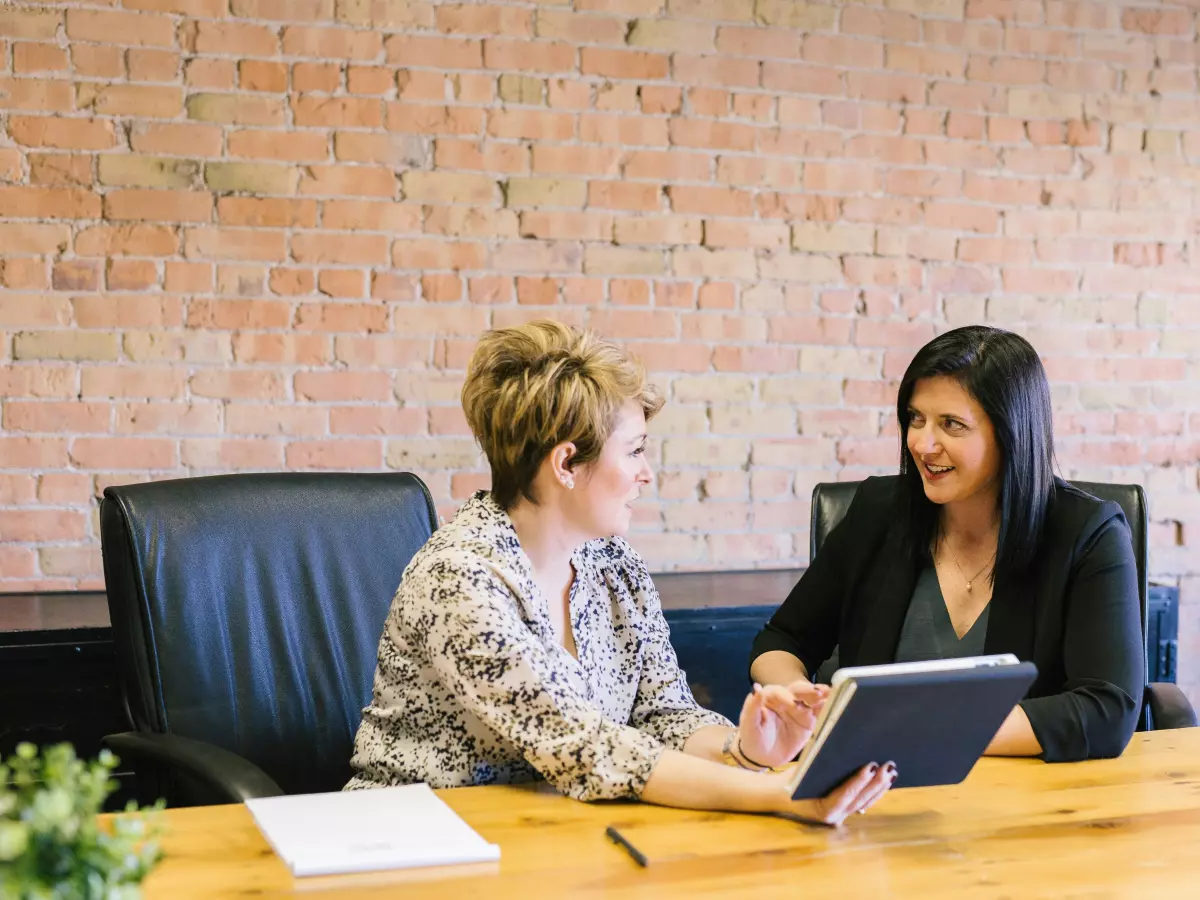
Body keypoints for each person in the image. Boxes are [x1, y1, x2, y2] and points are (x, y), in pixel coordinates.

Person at [347, 320, 893, 824]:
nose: (646, 474)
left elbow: (664, 713)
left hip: (555, 833)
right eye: (634, 451)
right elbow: (586, 747)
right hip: (413, 840)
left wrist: (745, 750)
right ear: (565, 464)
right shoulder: (460, 579)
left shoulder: (612, 563)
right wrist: (780, 793)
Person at [750, 325, 1145, 762]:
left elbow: (1107, 710)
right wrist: (796, 698)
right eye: (916, 419)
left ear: (1011, 433)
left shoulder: (1088, 533)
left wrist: (917, 729)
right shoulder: (879, 512)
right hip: (874, 791)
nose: (922, 443)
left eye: (951, 424)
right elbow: (781, 640)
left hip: (1026, 798)